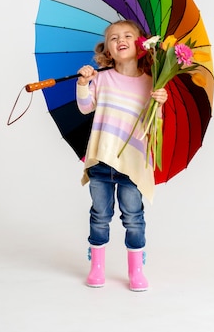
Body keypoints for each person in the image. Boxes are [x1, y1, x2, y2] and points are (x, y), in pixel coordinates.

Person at [76, 20, 168, 292]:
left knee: (133, 217)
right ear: (108, 50)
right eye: (114, 38)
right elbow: (85, 108)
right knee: (100, 215)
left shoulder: (152, 84)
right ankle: (97, 266)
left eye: (128, 35)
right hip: (102, 160)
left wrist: (159, 103)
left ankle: (136, 270)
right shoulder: (101, 78)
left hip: (132, 164)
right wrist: (84, 83)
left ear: (141, 45)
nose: (121, 39)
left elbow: (154, 126)